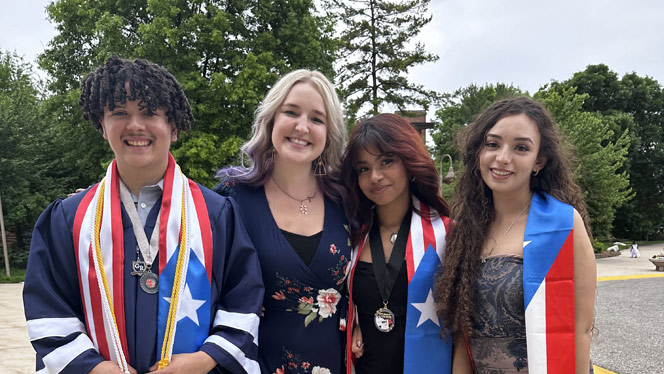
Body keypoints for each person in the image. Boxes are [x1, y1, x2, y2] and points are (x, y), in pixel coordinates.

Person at [23, 56, 264, 374]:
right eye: (119, 113)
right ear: (102, 125)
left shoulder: (216, 215)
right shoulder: (68, 219)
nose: (135, 125)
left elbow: (243, 298)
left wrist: (203, 360)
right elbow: (48, 305)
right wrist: (91, 368)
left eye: (150, 113)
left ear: (173, 128)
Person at [434, 97, 597, 373]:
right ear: (479, 153)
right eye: (493, 144)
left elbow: (580, 330)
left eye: (521, 148)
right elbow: (462, 335)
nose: (502, 158)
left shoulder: (563, 224)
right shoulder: (465, 231)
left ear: (539, 161)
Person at [216, 70, 350, 373]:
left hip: (332, 364)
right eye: (291, 112)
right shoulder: (231, 198)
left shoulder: (345, 201)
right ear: (271, 119)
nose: (302, 127)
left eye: (317, 119)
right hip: (251, 364)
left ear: (329, 133)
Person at [341, 114, 453, 373]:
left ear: (409, 162)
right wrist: (356, 320)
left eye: (387, 161)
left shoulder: (445, 234)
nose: (375, 176)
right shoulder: (350, 237)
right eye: (364, 168)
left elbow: (463, 325)